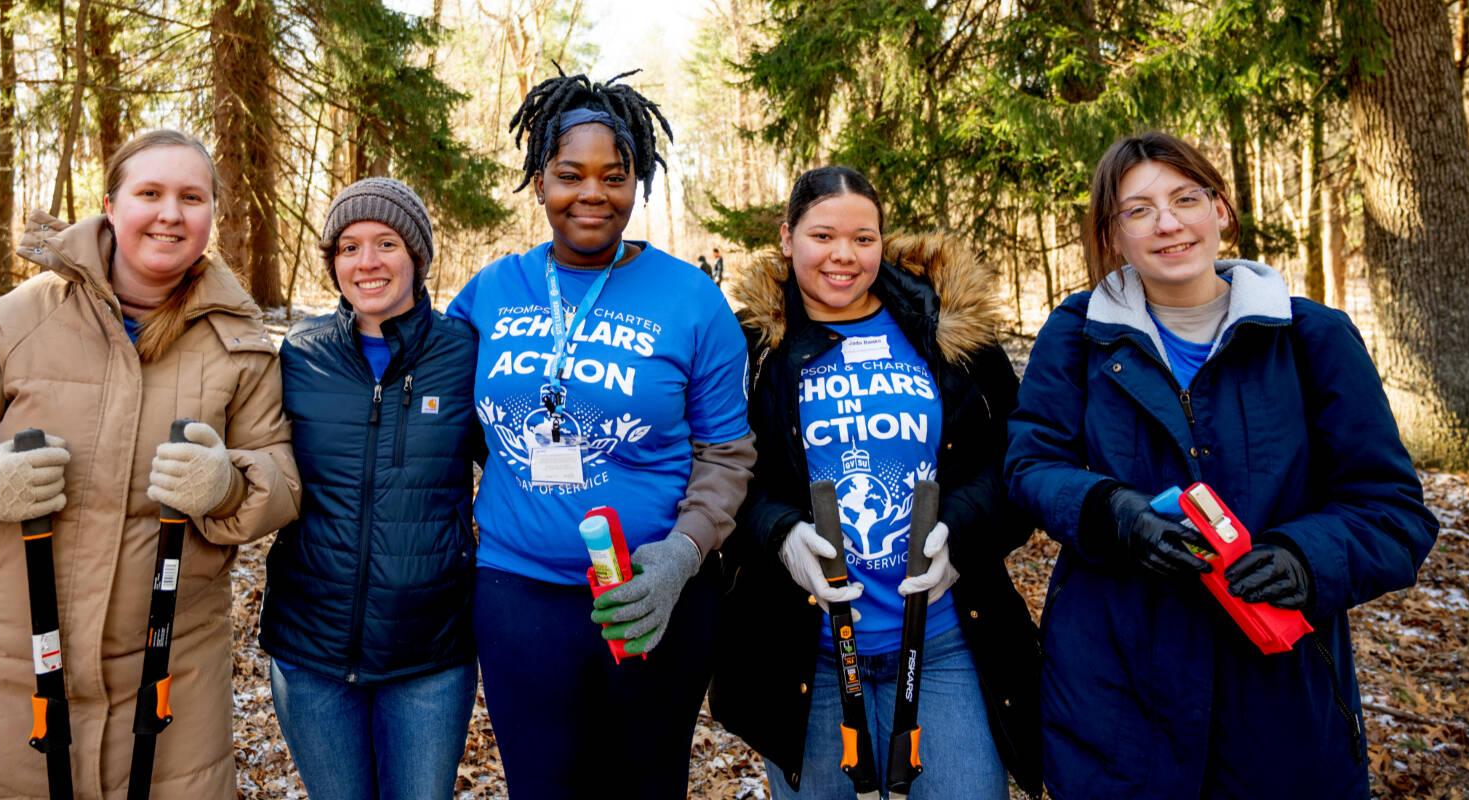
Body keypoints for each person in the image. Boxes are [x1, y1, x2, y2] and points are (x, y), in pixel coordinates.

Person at [0, 129, 302, 798]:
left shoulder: (240, 345)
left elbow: (281, 478)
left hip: (170, 692)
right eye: (149, 193)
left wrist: (226, 486)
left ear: (212, 213)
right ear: (109, 205)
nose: (170, 213)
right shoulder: (20, 320)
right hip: (8, 686)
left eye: (191, 197)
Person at [1005, 131, 1438, 799]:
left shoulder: (1309, 338)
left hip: (1279, 700)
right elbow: (1031, 466)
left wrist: (1303, 558)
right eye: (1139, 209)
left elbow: (1393, 512)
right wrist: (1114, 512)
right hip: (1115, 692)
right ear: (1112, 234)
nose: (1169, 223)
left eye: (1186, 198)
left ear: (1222, 211)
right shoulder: (1077, 334)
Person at [444, 68, 756, 799]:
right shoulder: (491, 291)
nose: (592, 194)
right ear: (540, 180)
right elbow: (434, 412)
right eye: (569, 175)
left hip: (653, 599)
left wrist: (682, 556)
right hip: (519, 596)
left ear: (637, 181)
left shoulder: (692, 298)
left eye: (614, 176)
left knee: (644, 787)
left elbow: (727, 452)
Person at [710, 166, 1041, 800]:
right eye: (822, 235)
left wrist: (961, 534)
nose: (844, 256)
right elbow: (721, 472)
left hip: (942, 643)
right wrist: (779, 535)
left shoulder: (950, 330)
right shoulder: (752, 348)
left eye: (864, 239)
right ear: (787, 238)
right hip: (807, 656)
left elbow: (1020, 462)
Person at [258, 177, 481, 800]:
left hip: (428, 654)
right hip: (311, 652)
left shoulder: (464, 352)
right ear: (332, 262)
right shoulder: (301, 353)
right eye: (349, 247)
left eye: (386, 243)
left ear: (417, 255)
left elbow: (520, 465)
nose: (368, 262)